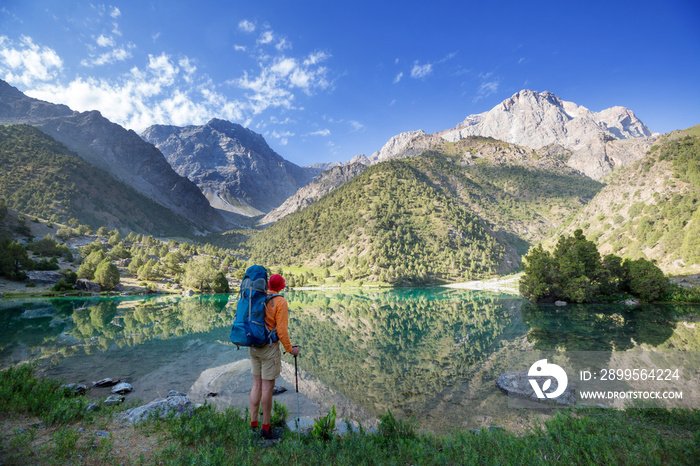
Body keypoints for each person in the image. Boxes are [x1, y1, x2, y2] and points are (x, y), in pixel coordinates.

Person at [249, 273, 299, 439]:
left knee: (256, 385)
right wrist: (290, 349)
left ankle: (253, 424)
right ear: (282, 287)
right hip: (269, 349)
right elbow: (282, 330)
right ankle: (266, 429)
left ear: (268, 284)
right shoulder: (280, 301)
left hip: (254, 347)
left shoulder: (259, 297)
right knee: (267, 388)